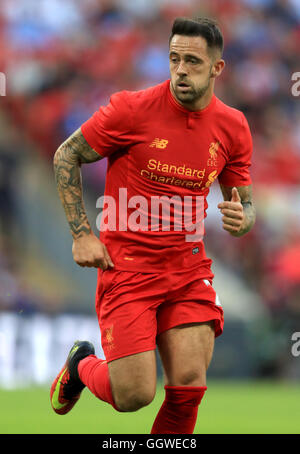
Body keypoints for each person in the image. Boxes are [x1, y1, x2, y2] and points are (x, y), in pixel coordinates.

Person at [50, 17, 256, 434]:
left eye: (193, 62)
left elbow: (245, 205)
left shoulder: (232, 126)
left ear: (217, 69)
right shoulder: (130, 109)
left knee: (189, 386)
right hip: (127, 269)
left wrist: (243, 219)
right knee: (134, 395)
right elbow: (65, 156)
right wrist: (81, 234)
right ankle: (81, 365)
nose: (180, 69)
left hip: (187, 267)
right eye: (174, 58)